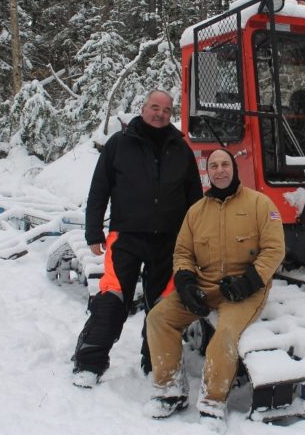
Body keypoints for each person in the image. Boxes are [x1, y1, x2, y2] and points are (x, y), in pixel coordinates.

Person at [146, 148, 285, 430]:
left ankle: (212, 403)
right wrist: (185, 283)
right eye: (214, 166)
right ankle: (170, 391)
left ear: (233, 168)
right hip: (205, 284)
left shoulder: (260, 204)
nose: (220, 170)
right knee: (158, 318)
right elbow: (183, 252)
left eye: (225, 164)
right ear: (207, 172)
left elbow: (274, 249)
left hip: (245, 289)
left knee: (224, 334)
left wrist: (247, 282)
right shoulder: (196, 212)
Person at [71, 90, 203, 387]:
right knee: (113, 298)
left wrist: (197, 240)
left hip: (169, 240)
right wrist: (93, 230)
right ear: (142, 108)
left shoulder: (181, 148)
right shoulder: (120, 143)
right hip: (126, 236)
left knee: (162, 305)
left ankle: (155, 360)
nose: (160, 114)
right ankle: (89, 362)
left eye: (166, 110)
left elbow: (195, 200)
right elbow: (99, 189)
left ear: (172, 114)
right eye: (155, 107)